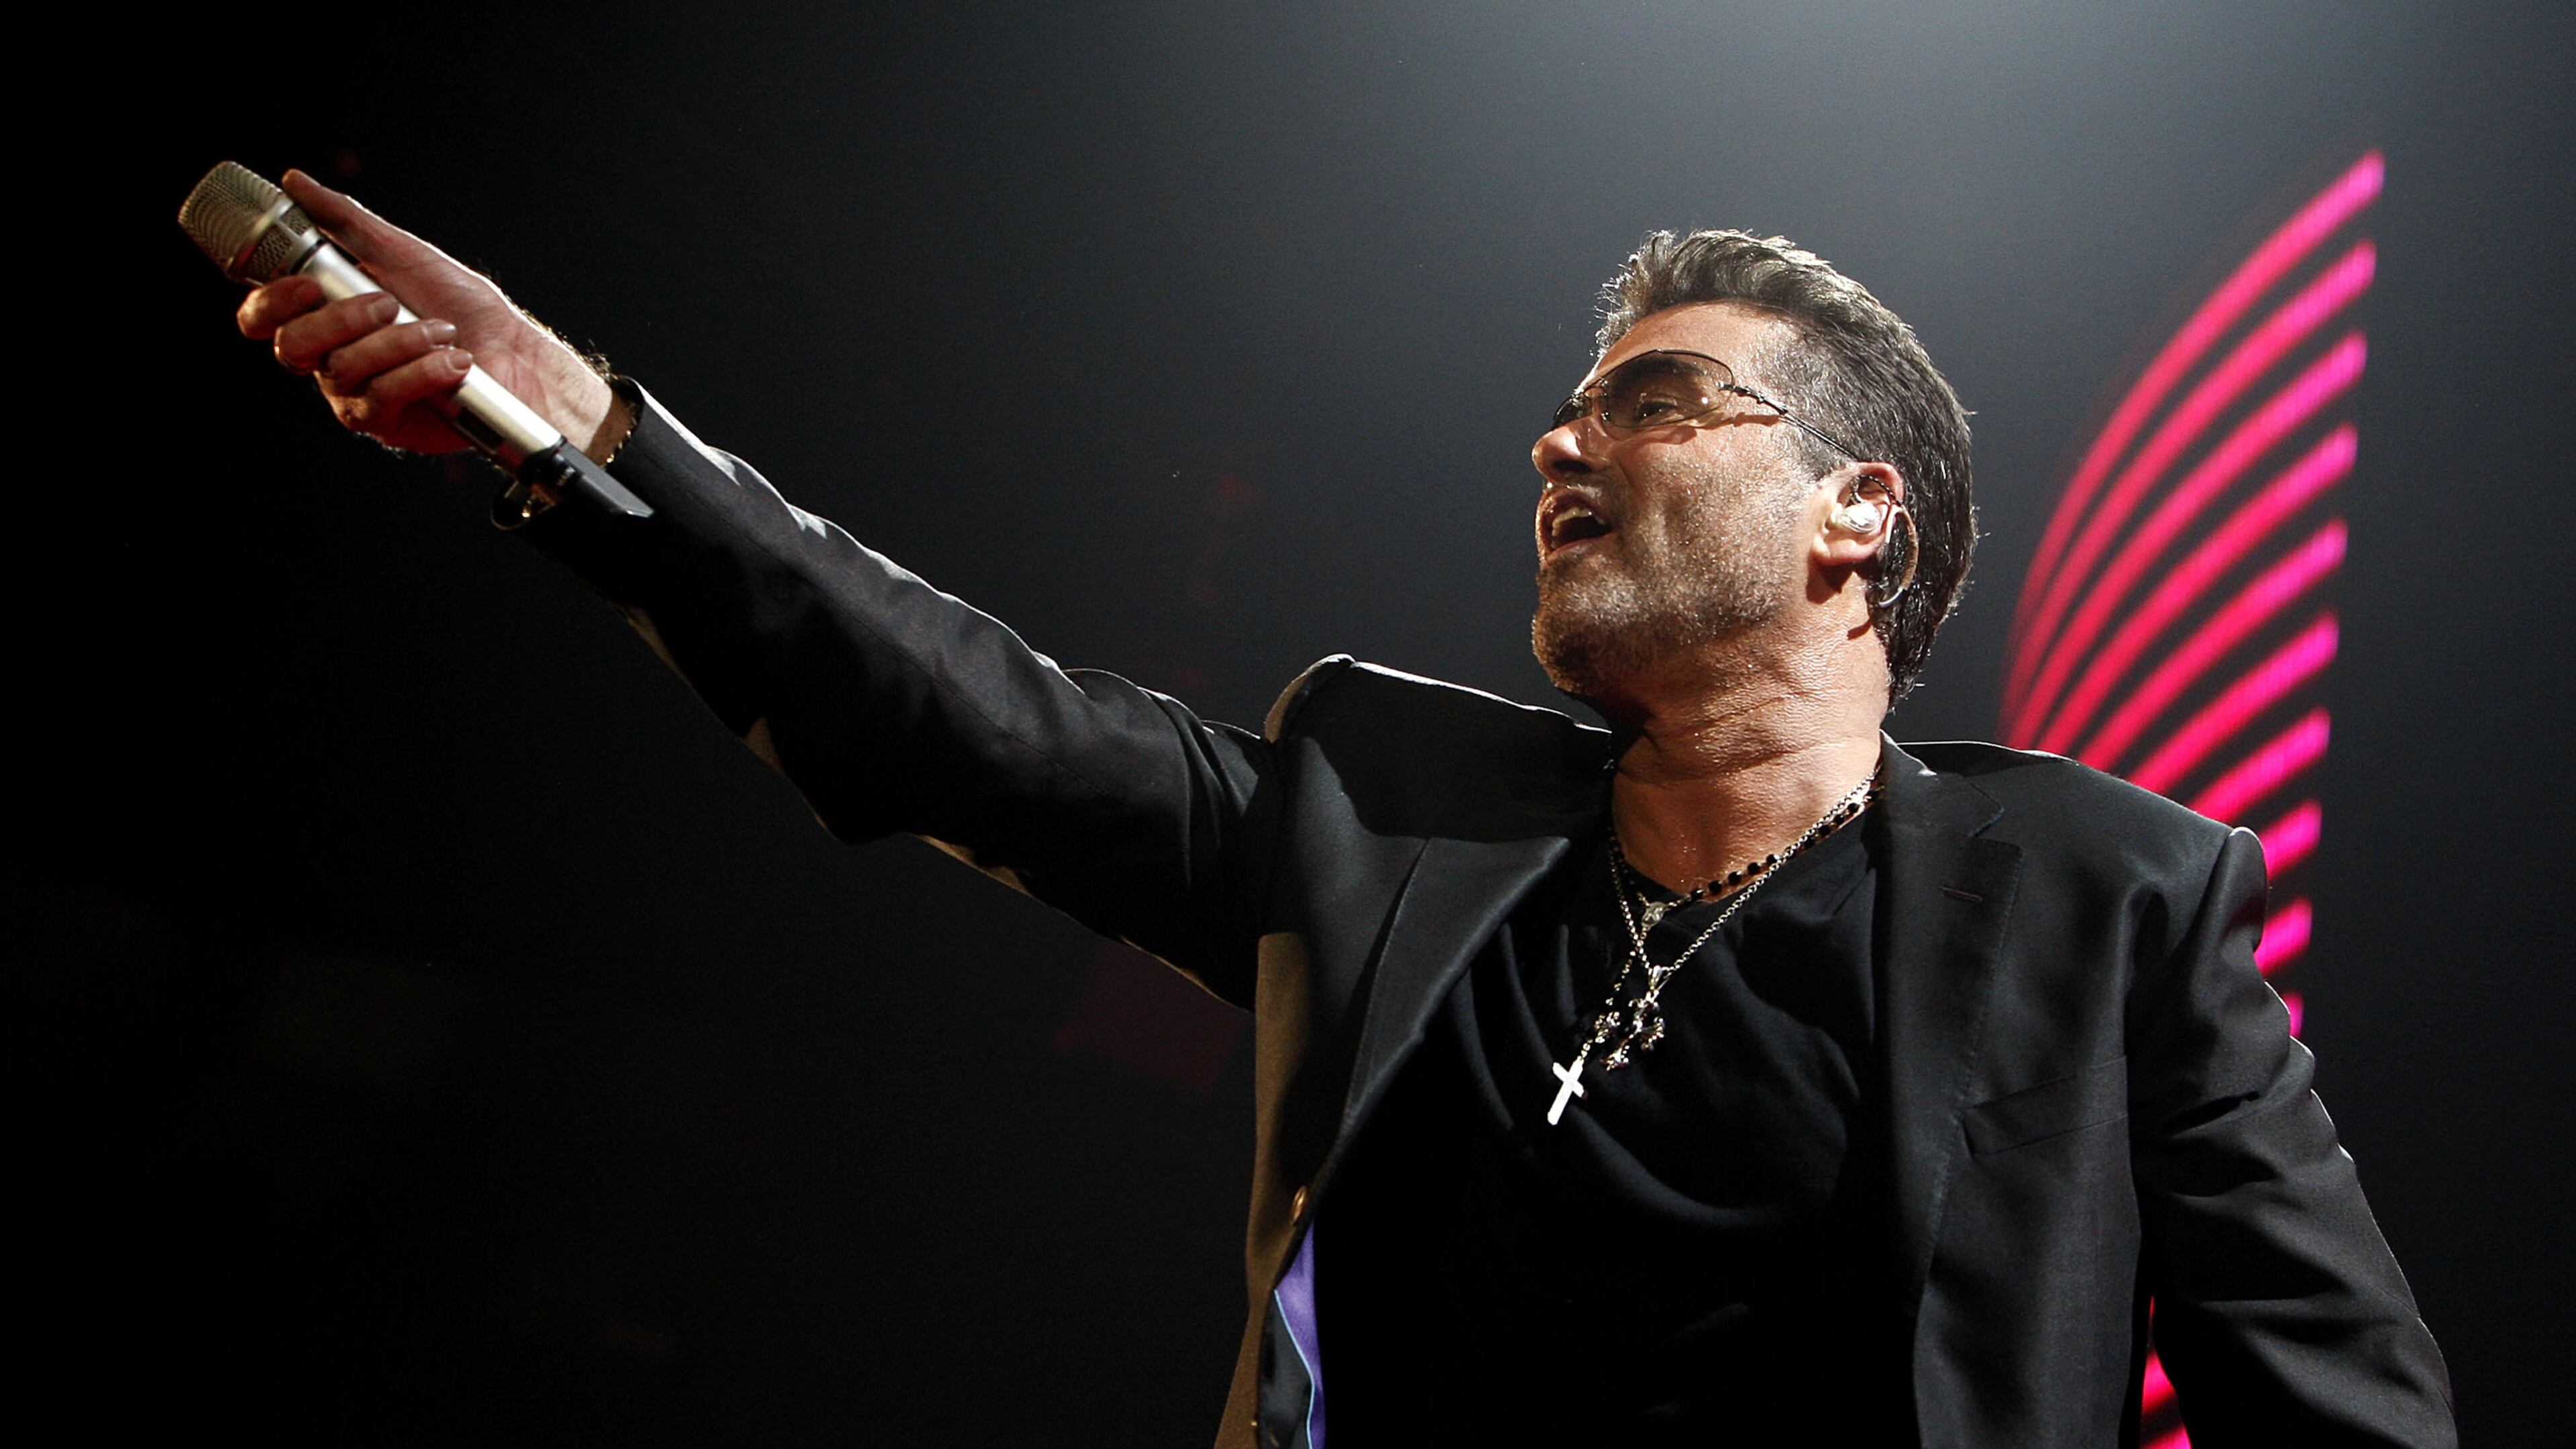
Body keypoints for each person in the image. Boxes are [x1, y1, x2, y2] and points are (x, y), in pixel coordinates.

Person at [235, 169, 2455, 1447]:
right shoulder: (1393, 812)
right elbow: (963, 713)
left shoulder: (2105, 900)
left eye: (1655, 403)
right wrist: (592, 441)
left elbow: (2338, 1414)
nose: (1559, 449)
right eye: (1562, 418)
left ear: (1857, 514)